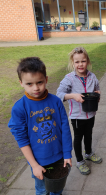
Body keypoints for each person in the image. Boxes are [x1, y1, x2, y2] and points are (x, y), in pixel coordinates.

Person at [8, 57, 72, 195]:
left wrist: (67, 153)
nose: (36, 88)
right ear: (21, 83)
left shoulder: (56, 101)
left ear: (46, 79)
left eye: (39, 82)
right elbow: (22, 139)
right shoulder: (19, 108)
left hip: (60, 157)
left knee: (57, 188)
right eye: (29, 84)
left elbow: (65, 128)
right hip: (39, 161)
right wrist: (34, 165)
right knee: (42, 190)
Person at [57, 47, 102, 175]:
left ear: (87, 61)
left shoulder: (92, 76)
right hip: (77, 116)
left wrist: (97, 94)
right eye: (77, 62)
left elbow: (97, 88)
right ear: (73, 63)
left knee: (89, 135)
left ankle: (88, 153)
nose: (80, 64)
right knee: (78, 138)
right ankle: (80, 161)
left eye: (83, 61)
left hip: (91, 113)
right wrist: (73, 95)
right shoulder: (69, 78)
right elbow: (59, 94)